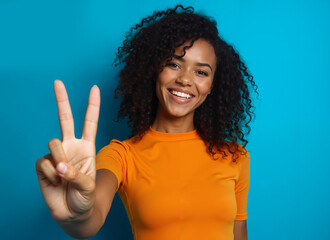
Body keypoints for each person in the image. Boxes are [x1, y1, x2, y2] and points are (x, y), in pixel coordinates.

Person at [35, 5, 258, 240]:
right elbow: (91, 219)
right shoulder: (121, 156)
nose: (184, 79)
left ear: (212, 86)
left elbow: (239, 233)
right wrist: (76, 217)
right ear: (155, 69)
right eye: (174, 64)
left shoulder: (236, 157)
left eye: (201, 72)